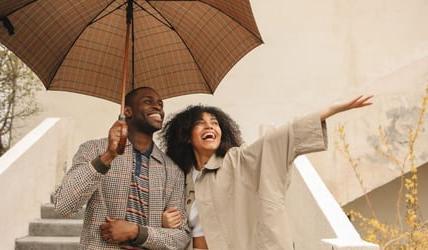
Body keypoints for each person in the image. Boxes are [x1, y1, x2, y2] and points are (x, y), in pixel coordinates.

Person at [159, 96, 373, 250]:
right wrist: (165, 222)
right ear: (186, 136)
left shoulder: (238, 161)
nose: (210, 127)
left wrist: (328, 111)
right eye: (201, 123)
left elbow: (277, 140)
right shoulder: (180, 177)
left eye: (215, 123)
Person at [54, 87, 191, 249]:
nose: (158, 107)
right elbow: (64, 206)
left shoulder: (172, 169)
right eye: (148, 102)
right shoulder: (93, 150)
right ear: (127, 111)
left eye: (160, 104)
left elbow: (181, 238)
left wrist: (136, 232)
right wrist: (108, 156)